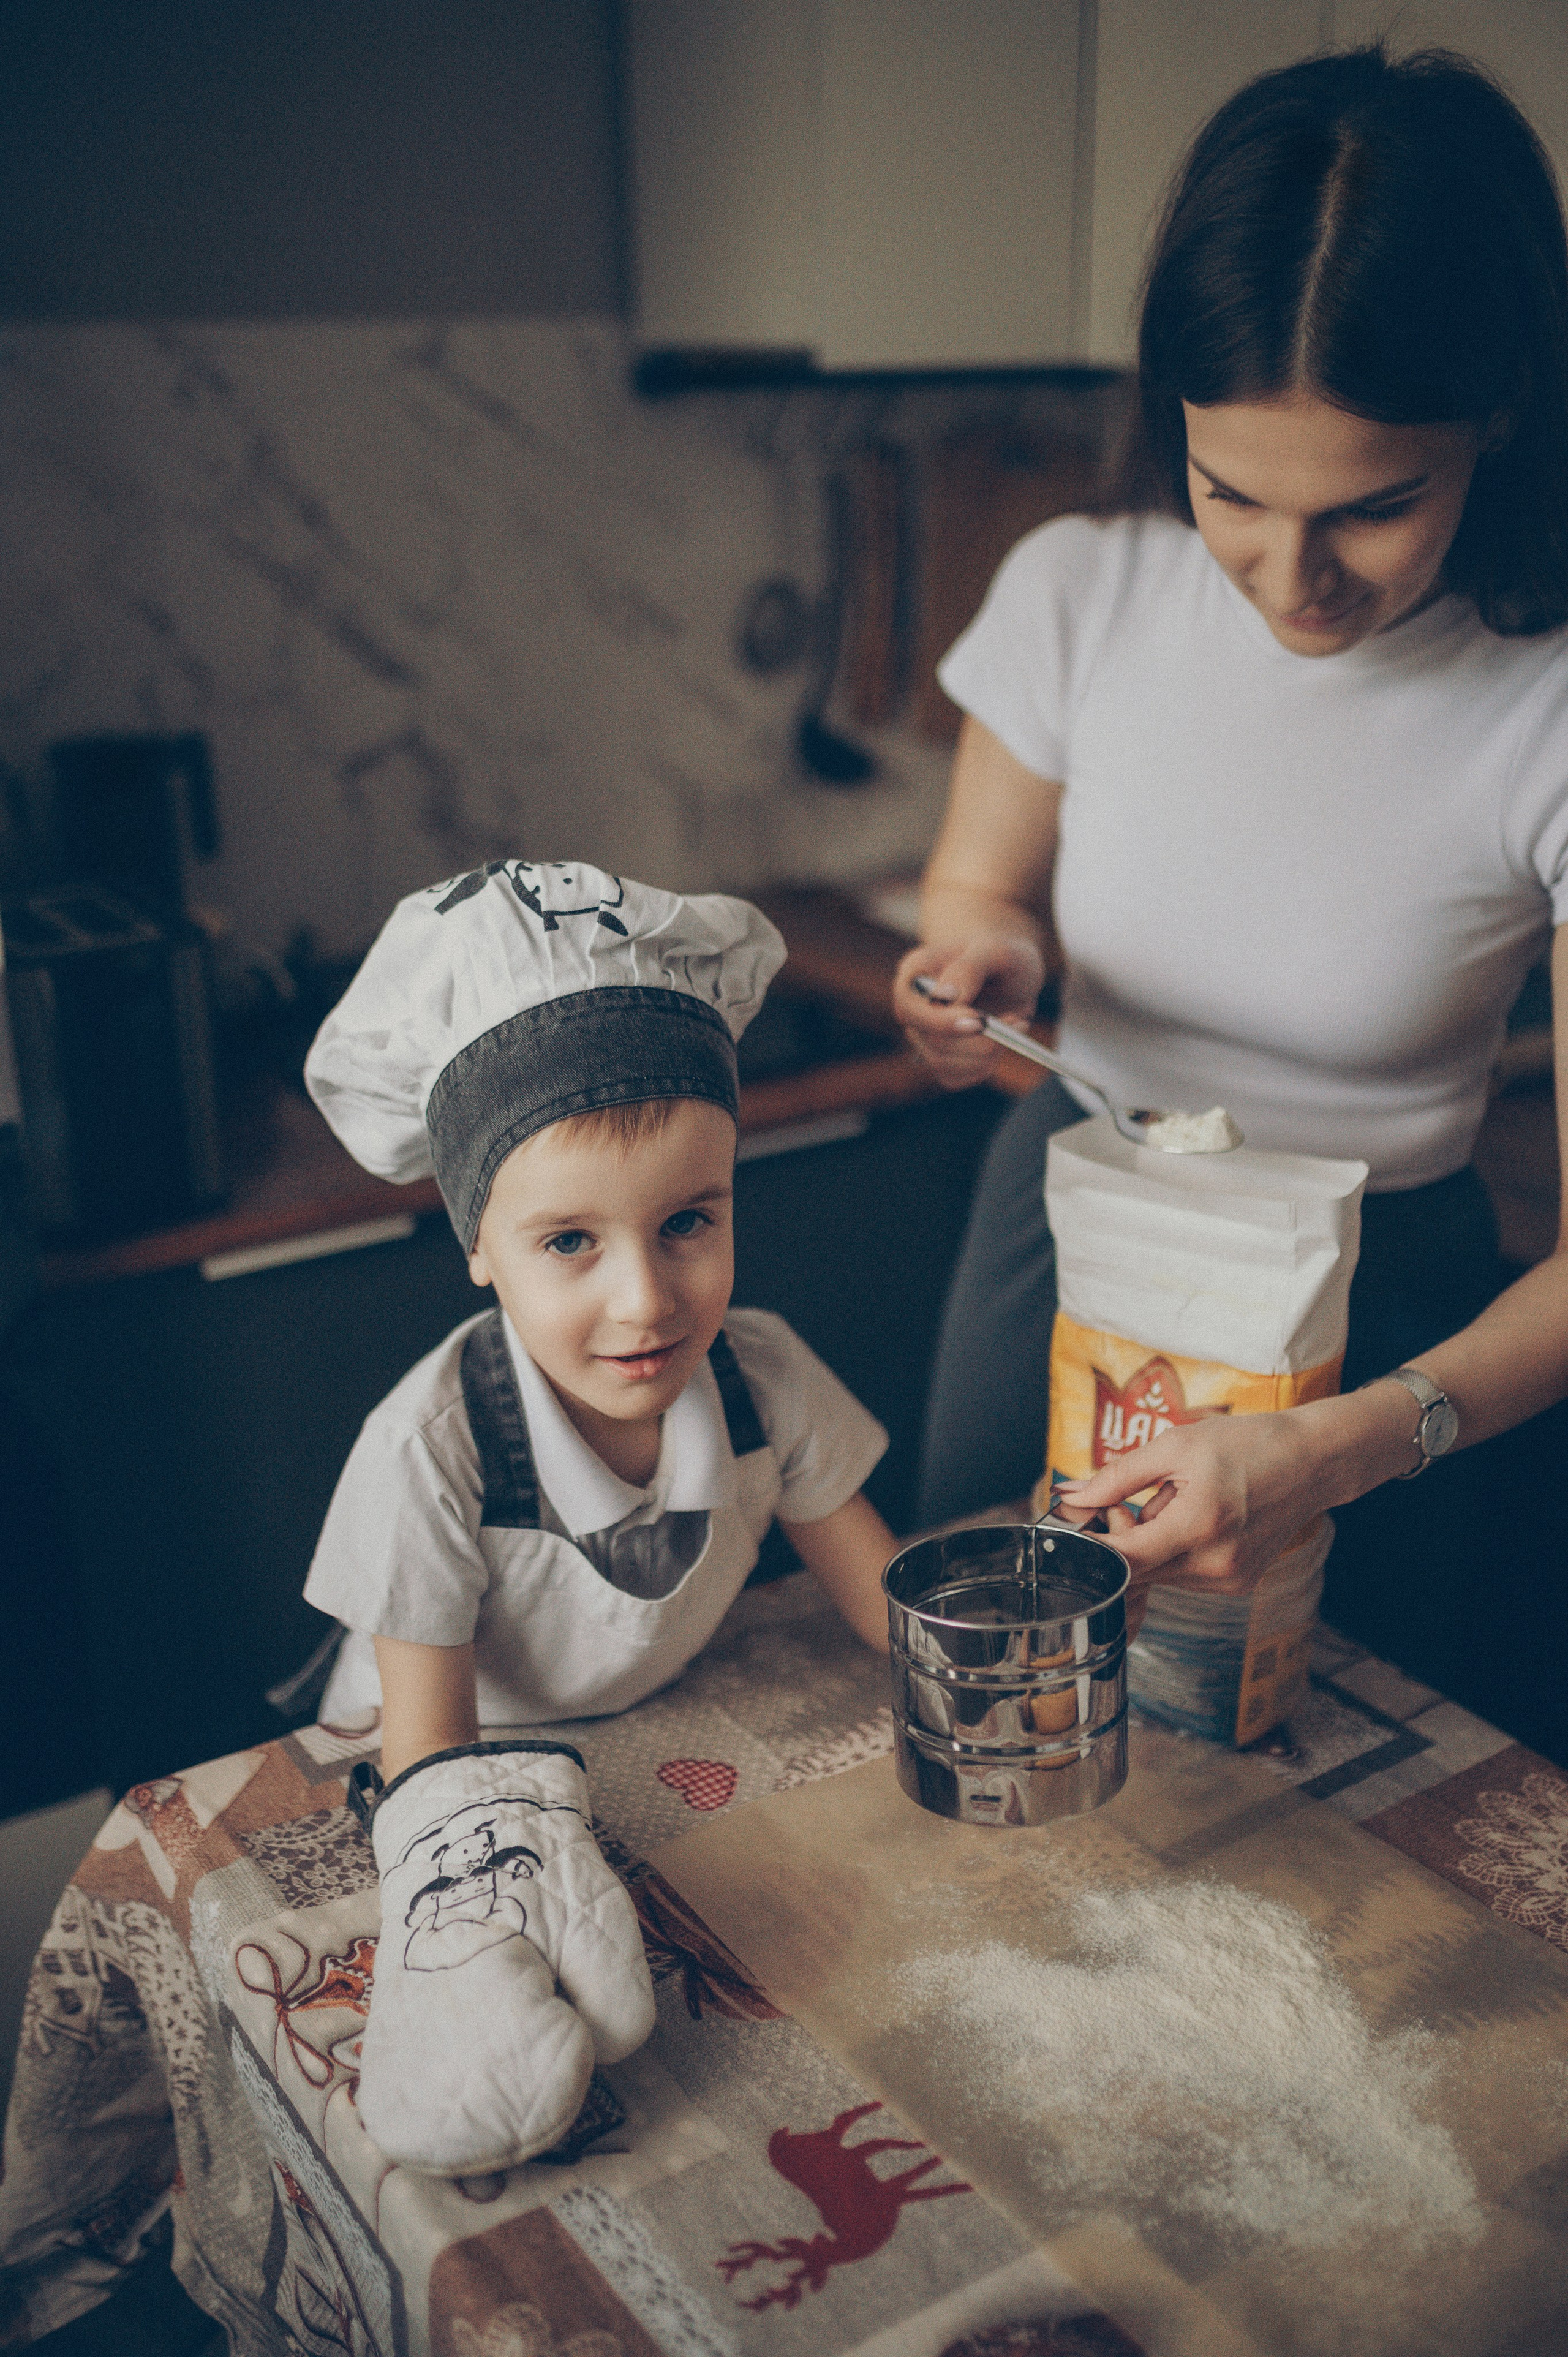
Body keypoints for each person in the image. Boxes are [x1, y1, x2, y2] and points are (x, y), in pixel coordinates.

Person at [894, 43, 1568, 1695]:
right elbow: (977, 900)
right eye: (1230, 493)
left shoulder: (1544, 704)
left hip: (1395, 1315)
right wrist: (970, 969)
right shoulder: (1079, 593)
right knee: (1000, 1703)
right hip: (1071, 1239)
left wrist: (1341, 1445)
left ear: (1498, 413)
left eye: (1376, 506)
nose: (1292, 575)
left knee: (1345, 1785)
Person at [301, 858, 895, 2175]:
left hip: (648, 1735)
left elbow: (879, 1598)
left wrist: (1020, 1640)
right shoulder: (431, 1447)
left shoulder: (768, 1377)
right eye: (569, 1243)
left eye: (688, 1221)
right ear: (477, 1244)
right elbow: (431, 1756)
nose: (645, 1301)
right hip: (451, 1772)